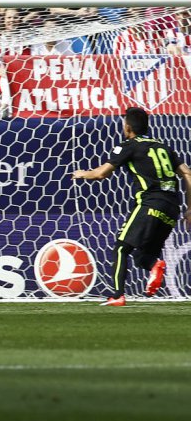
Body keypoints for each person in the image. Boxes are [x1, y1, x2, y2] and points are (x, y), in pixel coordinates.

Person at [72, 107, 191, 306]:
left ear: (128, 127)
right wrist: (190, 208)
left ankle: (117, 295)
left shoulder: (128, 145)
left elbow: (101, 174)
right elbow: (187, 173)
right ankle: (155, 265)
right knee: (142, 257)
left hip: (150, 202)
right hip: (171, 208)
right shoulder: (163, 146)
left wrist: (82, 173)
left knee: (121, 248)